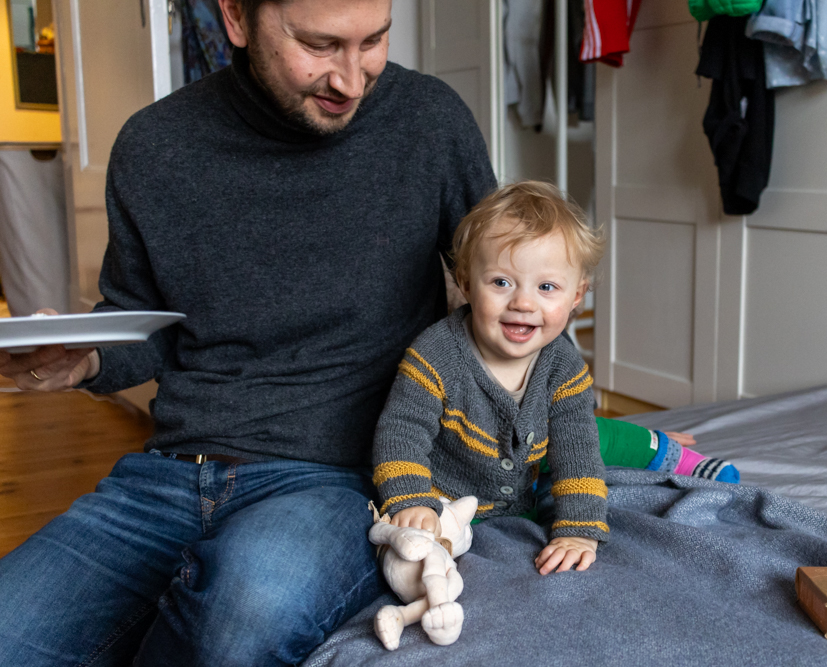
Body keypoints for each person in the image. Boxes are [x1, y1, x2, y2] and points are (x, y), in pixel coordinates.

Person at [0, 0, 495, 664]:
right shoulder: (156, 146)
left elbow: (508, 285)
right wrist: (82, 360)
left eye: (373, 40)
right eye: (319, 46)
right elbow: (149, 321)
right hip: (168, 476)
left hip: (336, 478)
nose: (350, 78)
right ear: (236, 19)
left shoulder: (430, 123)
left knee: (246, 611)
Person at [371, 181, 739, 577]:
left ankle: (673, 454)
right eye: (501, 282)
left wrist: (579, 529)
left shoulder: (564, 367)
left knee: (593, 439)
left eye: (547, 287)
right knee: (411, 558)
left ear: (576, 296)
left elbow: (577, 453)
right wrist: (410, 500)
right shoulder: (434, 357)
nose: (524, 303)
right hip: (449, 497)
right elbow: (400, 433)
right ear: (465, 283)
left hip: (531, 461)